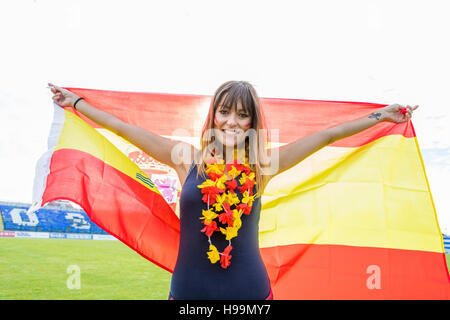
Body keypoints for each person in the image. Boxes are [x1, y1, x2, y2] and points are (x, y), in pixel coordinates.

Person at [48, 81, 418, 300]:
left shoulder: (263, 167)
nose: (232, 122)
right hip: (188, 293)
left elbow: (327, 135)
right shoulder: (184, 159)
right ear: (213, 115)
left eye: (243, 115)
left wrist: (382, 116)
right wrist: (75, 103)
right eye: (225, 112)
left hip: (249, 293)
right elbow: (120, 126)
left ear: (252, 123)